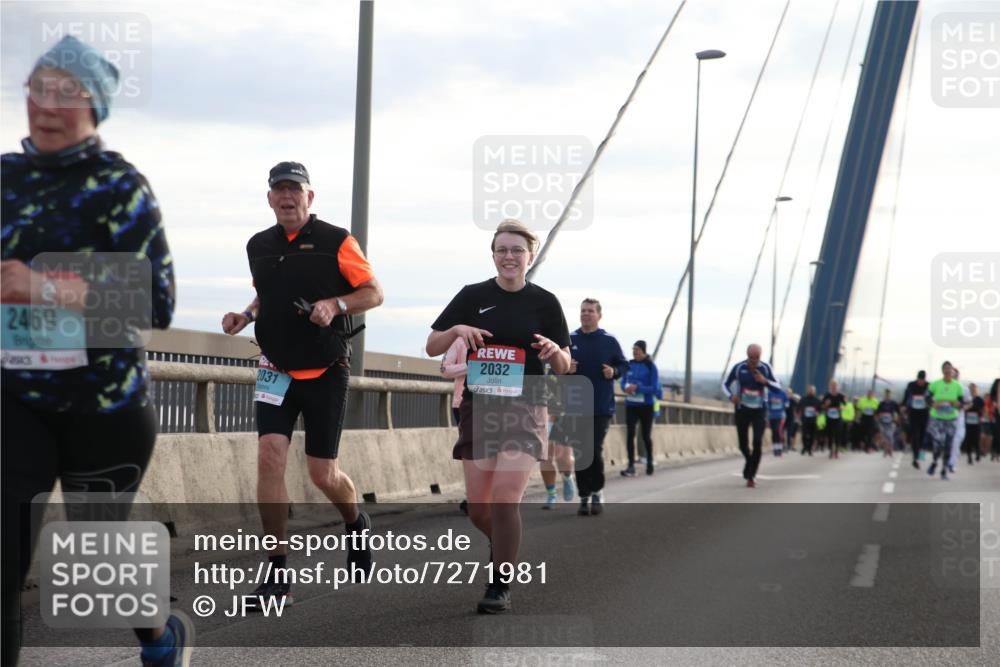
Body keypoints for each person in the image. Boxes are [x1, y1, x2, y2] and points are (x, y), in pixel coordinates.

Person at [1, 36, 190, 666]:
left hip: (104, 407)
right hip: (15, 403)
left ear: (95, 106)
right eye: (37, 87)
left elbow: (156, 303)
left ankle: (159, 635)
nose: (46, 105)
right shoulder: (3, 178)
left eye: (66, 92)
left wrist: (43, 287)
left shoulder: (118, 187)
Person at [222, 161, 384, 609]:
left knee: (322, 473)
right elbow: (267, 292)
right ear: (269, 198)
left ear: (310, 197)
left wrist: (334, 303)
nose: (288, 196)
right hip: (276, 366)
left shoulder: (336, 240)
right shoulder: (258, 245)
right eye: (280, 190)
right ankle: (277, 574)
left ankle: (355, 522)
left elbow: (373, 292)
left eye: (296, 189)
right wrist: (247, 315)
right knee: (269, 456)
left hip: (326, 367)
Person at [426, 218, 571, 614]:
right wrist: (457, 328)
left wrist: (554, 351)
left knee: (507, 498)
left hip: (526, 406)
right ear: (493, 255)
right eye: (502, 250)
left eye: (517, 250)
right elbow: (431, 346)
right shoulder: (472, 295)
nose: (509, 256)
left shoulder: (545, 302)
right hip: (481, 406)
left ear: (530, 256)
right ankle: (503, 547)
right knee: (480, 509)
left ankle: (500, 583)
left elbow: (565, 365)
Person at [550, 299, 627, 513]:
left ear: (599, 315)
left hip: (601, 405)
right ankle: (584, 495)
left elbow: (624, 365)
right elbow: (554, 367)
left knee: (594, 449)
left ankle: (597, 491)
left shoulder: (609, 341)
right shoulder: (569, 339)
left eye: (590, 311)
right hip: (575, 405)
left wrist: (614, 372)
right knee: (581, 451)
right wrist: (565, 368)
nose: (586, 314)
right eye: (583, 310)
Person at [721, 344, 782, 488]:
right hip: (742, 410)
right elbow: (725, 384)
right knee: (743, 445)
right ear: (747, 355)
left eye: (757, 357)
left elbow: (778, 387)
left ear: (760, 356)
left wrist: (765, 381)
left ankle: (751, 476)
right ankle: (749, 462)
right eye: (751, 357)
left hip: (759, 411)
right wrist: (731, 397)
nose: (754, 360)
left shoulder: (765, 368)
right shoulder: (739, 368)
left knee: (757, 442)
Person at [621, 340, 662, 477]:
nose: (634, 352)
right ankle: (630, 465)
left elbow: (655, 388)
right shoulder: (629, 365)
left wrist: (638, 388)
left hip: (646, 406)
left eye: (637, 349)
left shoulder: (650, 366)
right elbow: (622, 382)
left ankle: (649, 462)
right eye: (633, 349)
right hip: (631, 405)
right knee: (630, 435)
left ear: (643, 351)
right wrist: (625, 388)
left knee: (645, 436)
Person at [539, 362, 575, 509]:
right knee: (545, 457)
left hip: (563, 414)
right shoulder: (535, 356)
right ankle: (551, 494)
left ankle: (567, 476)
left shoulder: (561, 355)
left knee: (562, 457)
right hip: (541, 413)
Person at [925, 361, 963, 480]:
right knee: (938, 444)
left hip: (951, 419)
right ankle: (935, 462)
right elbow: (927, 398)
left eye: (949, 369)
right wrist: (933, 403)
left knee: (948, 445)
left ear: (952, 371)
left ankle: (944, 470)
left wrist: (957, 403)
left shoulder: (957, 386)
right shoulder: (935, 384)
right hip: (937, 419)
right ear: (942, 371)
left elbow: (961, 403)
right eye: (945, 369)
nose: (948, 371)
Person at [902, 370, 931, 469]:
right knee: (915, 435)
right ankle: (915, 458)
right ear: (917, 378)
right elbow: (906, 397)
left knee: (922, 435)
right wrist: (904, 406)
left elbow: (932, 398)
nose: (921, 382)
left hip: (924, 414)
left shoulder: (929, 386)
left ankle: (920, 453)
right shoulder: (911, 385)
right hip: (913, 413)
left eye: (922, 380)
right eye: (919, 380)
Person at [821, 380, 848, 459]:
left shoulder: (840, 395)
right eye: (832, 386)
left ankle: (836, 450)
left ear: (837, 387)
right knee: (829, 434)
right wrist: (826, 404)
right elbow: (822, 406)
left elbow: (846, 406)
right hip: (829, 418)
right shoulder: (827, 395)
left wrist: (842, 407)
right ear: (830, 387)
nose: (833, 387)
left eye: (835, 386)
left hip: (837, 418)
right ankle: (831, 450)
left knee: (837, 434)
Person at [962, 382, 984, 465]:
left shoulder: (979, 399)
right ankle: (969, 457)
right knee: (968, 439)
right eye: (970, 388)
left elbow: (983, 409)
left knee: (976, 439)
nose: (972, 390)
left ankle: (978, 453)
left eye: (974, 388)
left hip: (977, 422)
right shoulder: (966, 399)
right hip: (967, 422)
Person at [797, 385, 822, 456]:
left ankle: (810, 449)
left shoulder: (817, 400)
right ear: (807, 391)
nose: (811, 391)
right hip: (805, 420)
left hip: (813, 420)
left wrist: (818, 413)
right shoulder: (803, 399)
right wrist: (798, 414)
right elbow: (798, 407)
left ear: (814, 392)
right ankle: (805, 447)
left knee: (812, 435)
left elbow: (820, 409)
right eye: (810, 390)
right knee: (804, 435)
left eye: (812, 390)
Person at [876, 389, 901, 458]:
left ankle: (890, 449)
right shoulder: (881, 403)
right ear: (884, 395)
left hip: (891, 422)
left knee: (890, 436)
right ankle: (886, 450)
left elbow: (898, 412)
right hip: (883, 422)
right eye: (886, 394)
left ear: (890, 395)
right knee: (884, 436)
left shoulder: (894, 403)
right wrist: (879, 417)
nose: (887, 396)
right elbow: (877, 412)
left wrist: (896, 418)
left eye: (888, 394)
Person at [767, 385, 788, 457]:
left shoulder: (783, 393)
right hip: (772, 416)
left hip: (780, 416)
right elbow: (767, 403)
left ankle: (779, 449)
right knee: (774, 432)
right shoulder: (769, 393)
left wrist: (784, 404)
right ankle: (775, 449)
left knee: (778, 431)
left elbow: (787, 403)